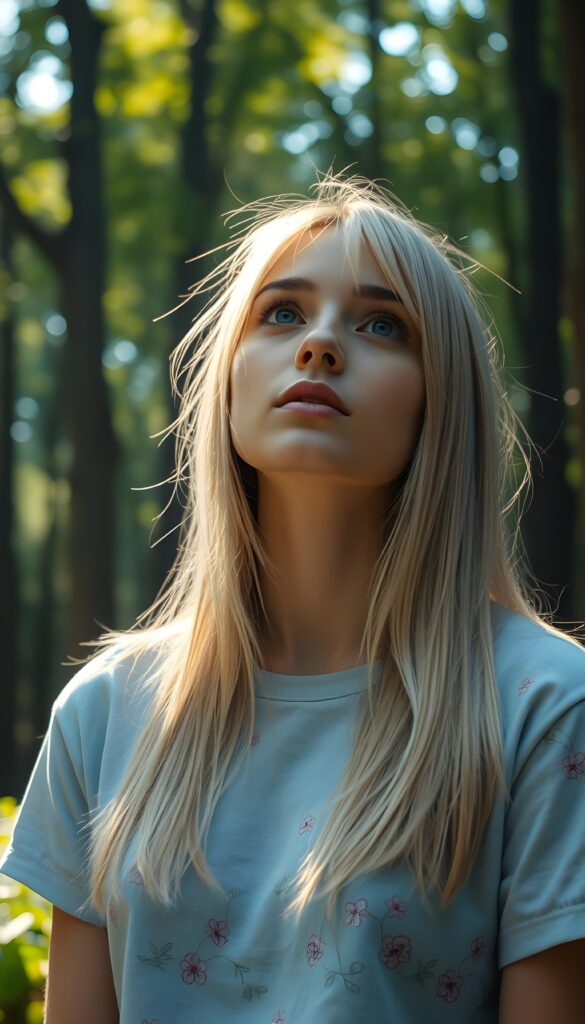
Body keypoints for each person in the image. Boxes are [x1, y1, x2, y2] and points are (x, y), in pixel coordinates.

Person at [1, 173, 584, 1023]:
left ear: (443, 397)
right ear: (228, 376)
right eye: (281, 313)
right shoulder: (106, 711)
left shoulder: (543, 706)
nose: (319, 344)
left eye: (381, 324)